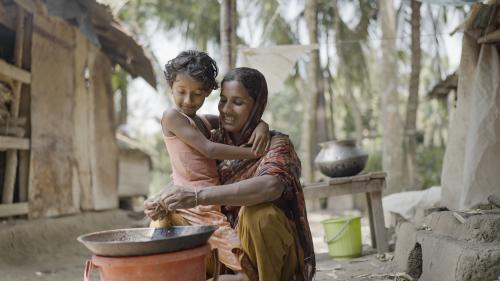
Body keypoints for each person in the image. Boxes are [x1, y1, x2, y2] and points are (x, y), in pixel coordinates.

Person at [146, 67, 316, 281]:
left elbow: (270, 186)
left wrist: (200, 196)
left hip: (267, 256)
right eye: (223, 100)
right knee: (164, 220)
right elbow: (189, 173)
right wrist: (162, 200)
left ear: (257, 107)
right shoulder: (213, 138)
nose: (226, 110)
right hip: (222, 247)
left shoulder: (276, 144)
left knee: (260, 215)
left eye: (237, 102)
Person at [149, 51, 270, 272]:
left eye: (196, 94)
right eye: (181, 92)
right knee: (240, 256)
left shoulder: (202, 121)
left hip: (209, 200)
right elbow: (209, 149)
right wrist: (253, 153)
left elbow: (239, 122)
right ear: (170, 86)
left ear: (207, 92)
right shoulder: (172, 117)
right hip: (194, 204)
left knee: (234, 252)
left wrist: (262, 125)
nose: (188, 100)